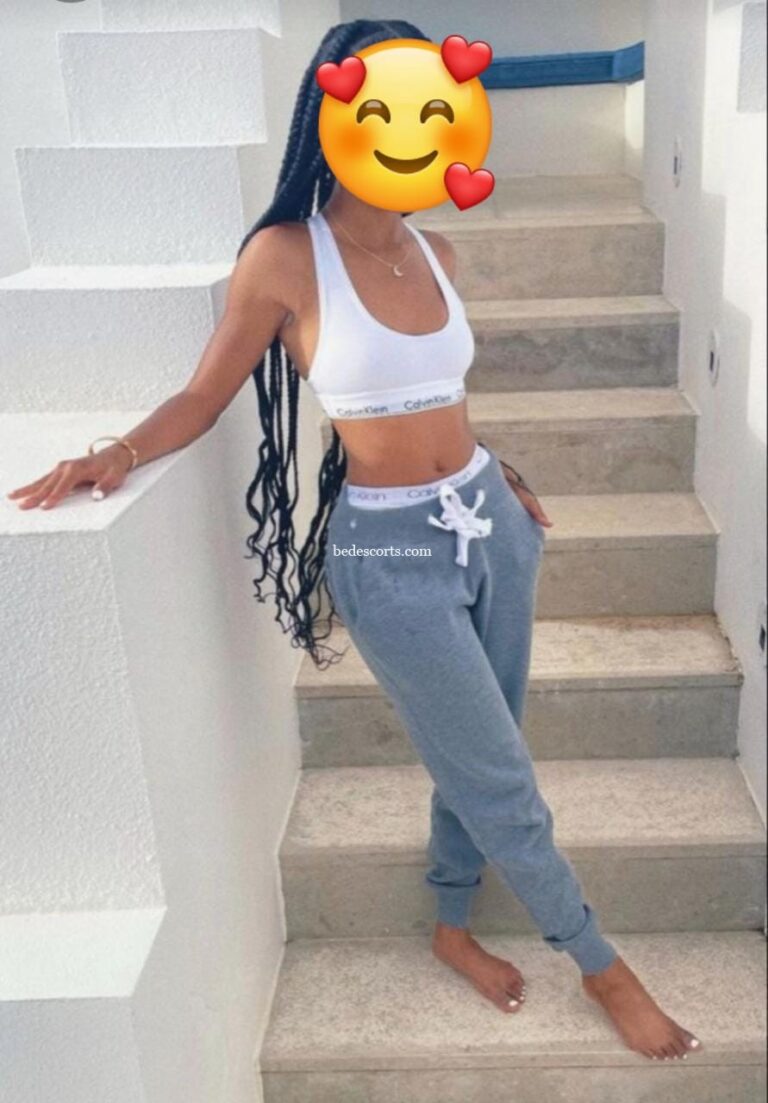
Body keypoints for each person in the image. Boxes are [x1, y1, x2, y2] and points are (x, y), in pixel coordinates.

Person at [7, 18, 701, 1064]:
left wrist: (496, 469)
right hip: (389, 557)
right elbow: (205, 393)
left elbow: (436, 397)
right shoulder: (286, 258)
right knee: (499, 772)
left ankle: (453, 922)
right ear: (335, 116)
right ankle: (602, 963)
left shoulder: (438, 249)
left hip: (492, 525)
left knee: (484, 743)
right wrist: (117, 451)